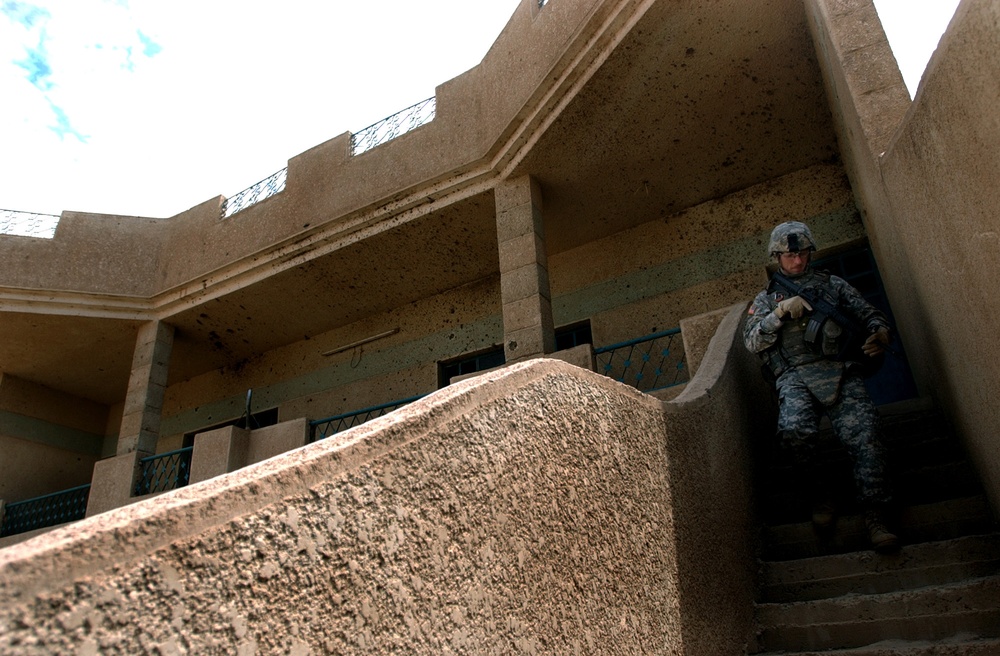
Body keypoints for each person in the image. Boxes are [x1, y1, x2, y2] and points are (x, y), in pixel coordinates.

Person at [743, 221, 899, 553]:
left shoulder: (833, 285)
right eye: (788, 255)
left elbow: (868, 313)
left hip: (840, 371)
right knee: (794, 432)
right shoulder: (768, 297)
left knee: (867, 434)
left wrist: (879, 331)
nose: (796, 261)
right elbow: (751, 341)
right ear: (777, 256)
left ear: (809, 251)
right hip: (795, 376)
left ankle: (876, 515)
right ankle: (820, 497)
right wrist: (779, 314)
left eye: (801, 253)